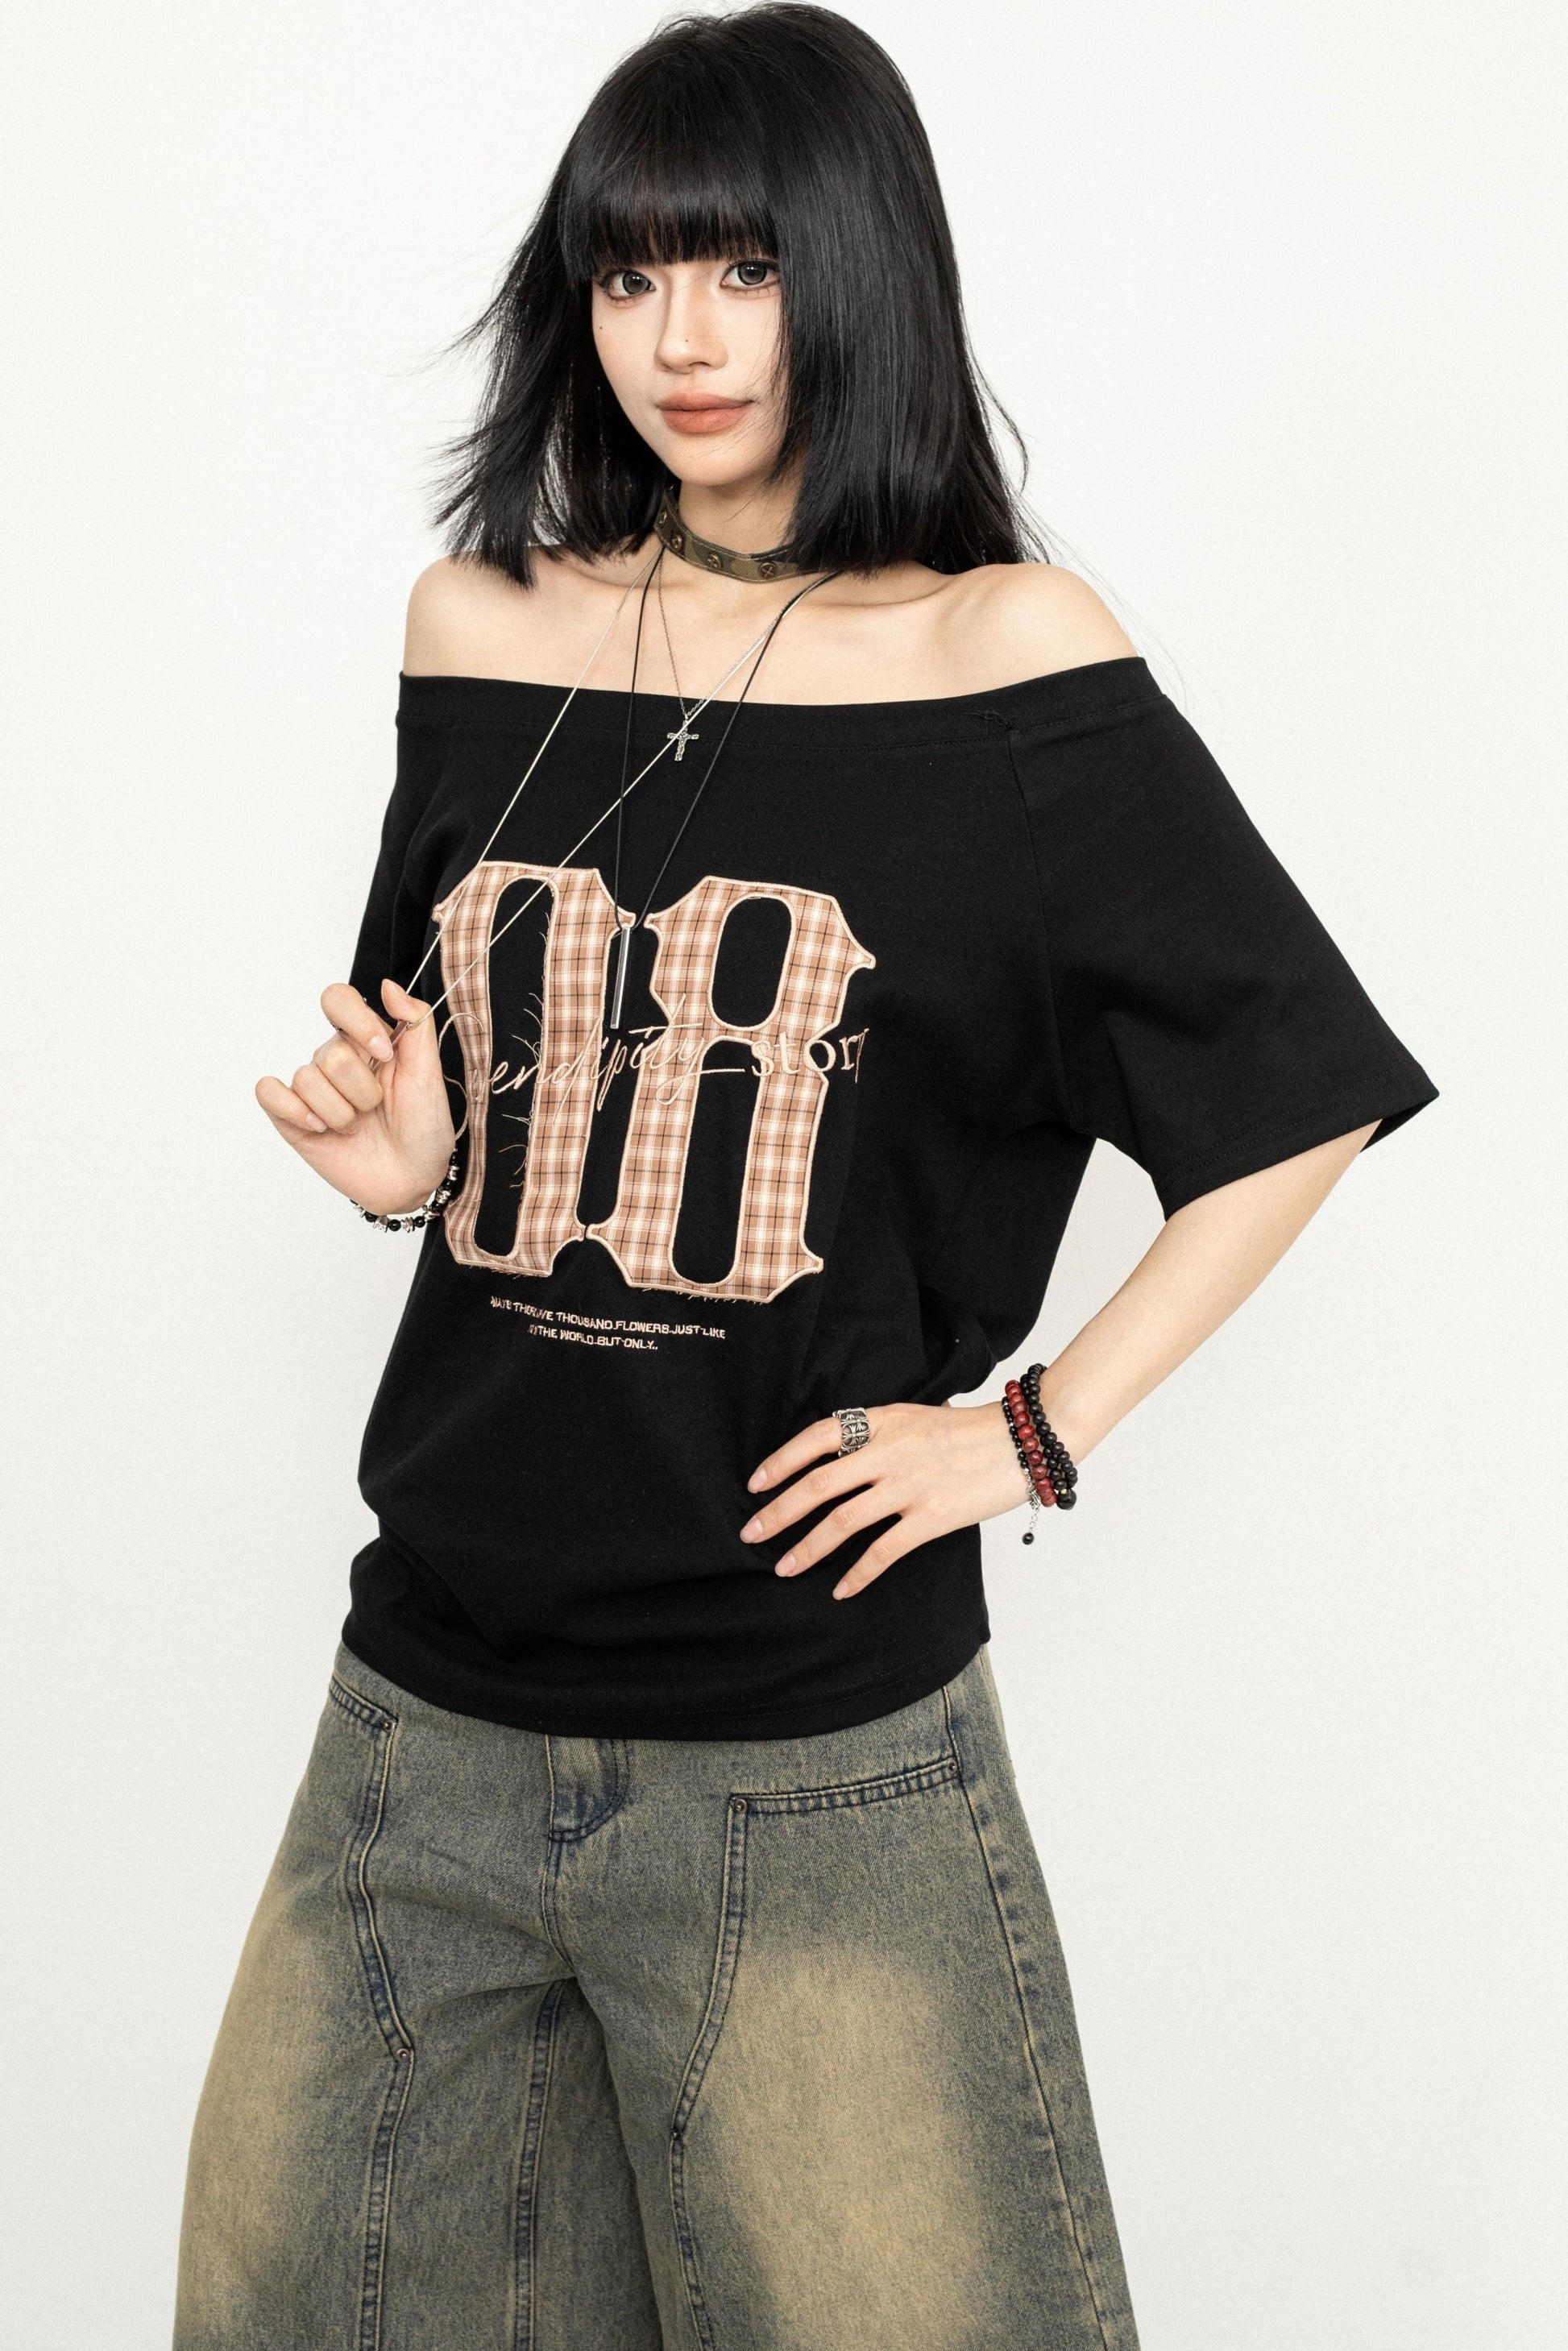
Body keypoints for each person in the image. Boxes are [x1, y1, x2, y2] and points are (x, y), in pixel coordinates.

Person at [172, 8, 1437, 2347]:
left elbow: (1297, 1096)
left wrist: (1029, 1431)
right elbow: (476, 1084)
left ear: (855, 271)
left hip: (812, 1756)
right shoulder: (485, 627)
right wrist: (408, 1164)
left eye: (742, 269)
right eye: (629, 272)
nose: (680, 338)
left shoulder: (1004, 660)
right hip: (421, 1726)